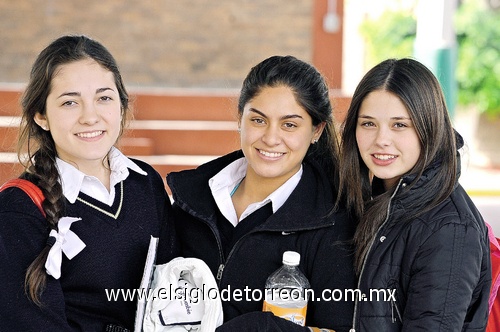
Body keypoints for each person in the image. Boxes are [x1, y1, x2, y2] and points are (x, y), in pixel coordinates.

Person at [166, 55, 356, 331]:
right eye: (258, 120)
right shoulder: (191, 201)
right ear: (240, 119)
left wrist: (262, 327)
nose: (270, 138)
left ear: (316, 130)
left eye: (289, 125)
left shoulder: (332, 223)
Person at [0, 35, 176, 331]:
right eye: (70, 102)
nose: (90, 116)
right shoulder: (18, 209)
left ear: (121, 105)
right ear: (41, 115)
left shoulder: (146, 184)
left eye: (104, 98)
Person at [338, 58, 491, 331]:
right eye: (368, 124)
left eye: (400, 125)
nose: (381, 139)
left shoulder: (449, 228)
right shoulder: (377, 201)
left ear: (428, 129)